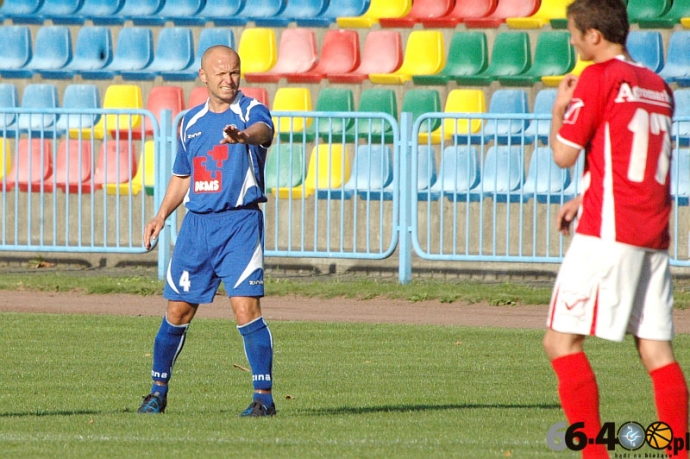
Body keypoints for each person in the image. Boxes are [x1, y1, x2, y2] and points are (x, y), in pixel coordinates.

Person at [543, 0, 688, 457]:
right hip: (652, 233)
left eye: (573, 32)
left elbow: (564, 155)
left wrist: (559, 108)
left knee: (560, 342)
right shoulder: (659, 86)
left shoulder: (598, 78)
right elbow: (628, 156)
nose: (570, 40)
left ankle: (593, 452)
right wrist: (585, 195)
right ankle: (679, 450)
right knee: (657, 353)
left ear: (593, 36)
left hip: (607, 235)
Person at [137, 45, 276, 417]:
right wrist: (161, 214)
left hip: (239, 223)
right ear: (204, 77)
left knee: (246, 308)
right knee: (177, 312)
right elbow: (184, 176)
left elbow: (265, 131)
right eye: (221, 73)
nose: (229, 79)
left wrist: (245, 137)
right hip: (196, 228)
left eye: (234, 72)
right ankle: (156, 393)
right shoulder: (190, 122)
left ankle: (263, 399)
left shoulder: (249, 110)